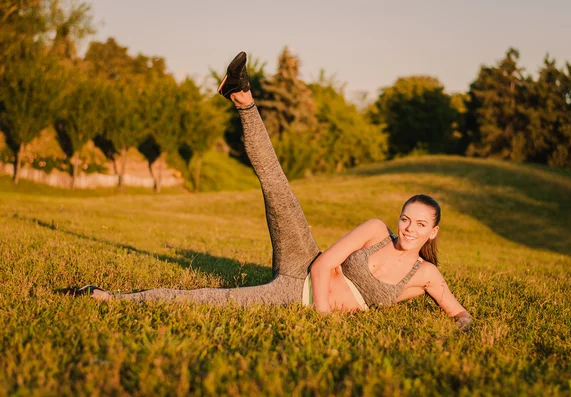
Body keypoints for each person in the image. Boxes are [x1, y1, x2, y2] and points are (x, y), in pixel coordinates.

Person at [78, 52, 473, 331]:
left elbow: (458, 313)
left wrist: (461, 328)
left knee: (211, 301)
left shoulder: (427, 276)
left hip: (287, 293)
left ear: (432, 232)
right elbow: (322, 266)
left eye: (419, 224)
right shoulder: (374, 231)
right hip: (303, 262)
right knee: (278, 187)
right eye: (406, 218)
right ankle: (242, 98)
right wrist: (321, 320)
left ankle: (110, 298)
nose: (408, 228)